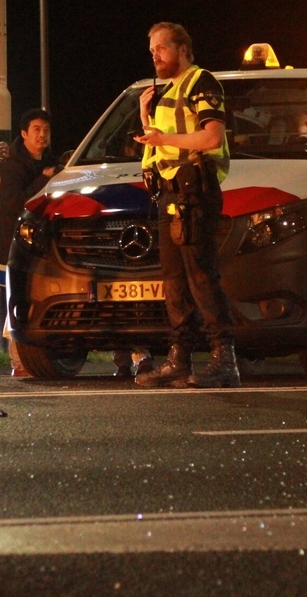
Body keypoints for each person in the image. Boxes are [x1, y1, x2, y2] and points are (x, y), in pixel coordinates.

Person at [132, 22, 240, 389]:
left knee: (201, 277)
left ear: (182, 48)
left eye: (161, 48)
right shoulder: (164, 91)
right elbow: (160, 146)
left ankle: (224, 358)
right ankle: (179, 358)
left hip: (195, 193)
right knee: (174, 283)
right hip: (169, 195)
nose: (155, 56)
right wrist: (147, 121)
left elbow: (211, 136)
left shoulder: (201, 82)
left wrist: (162, 135)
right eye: (151, 51)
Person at [0, 108, 60, 377]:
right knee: (19, 296)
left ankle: (32, 357)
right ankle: (18, 361)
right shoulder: (12, 164)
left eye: (46, 130)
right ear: (23, 133)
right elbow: (12, 204)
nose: (42, 135)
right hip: (17, 241)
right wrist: (44, 179)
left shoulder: (52, 161)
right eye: (36, 130)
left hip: (45, 239)